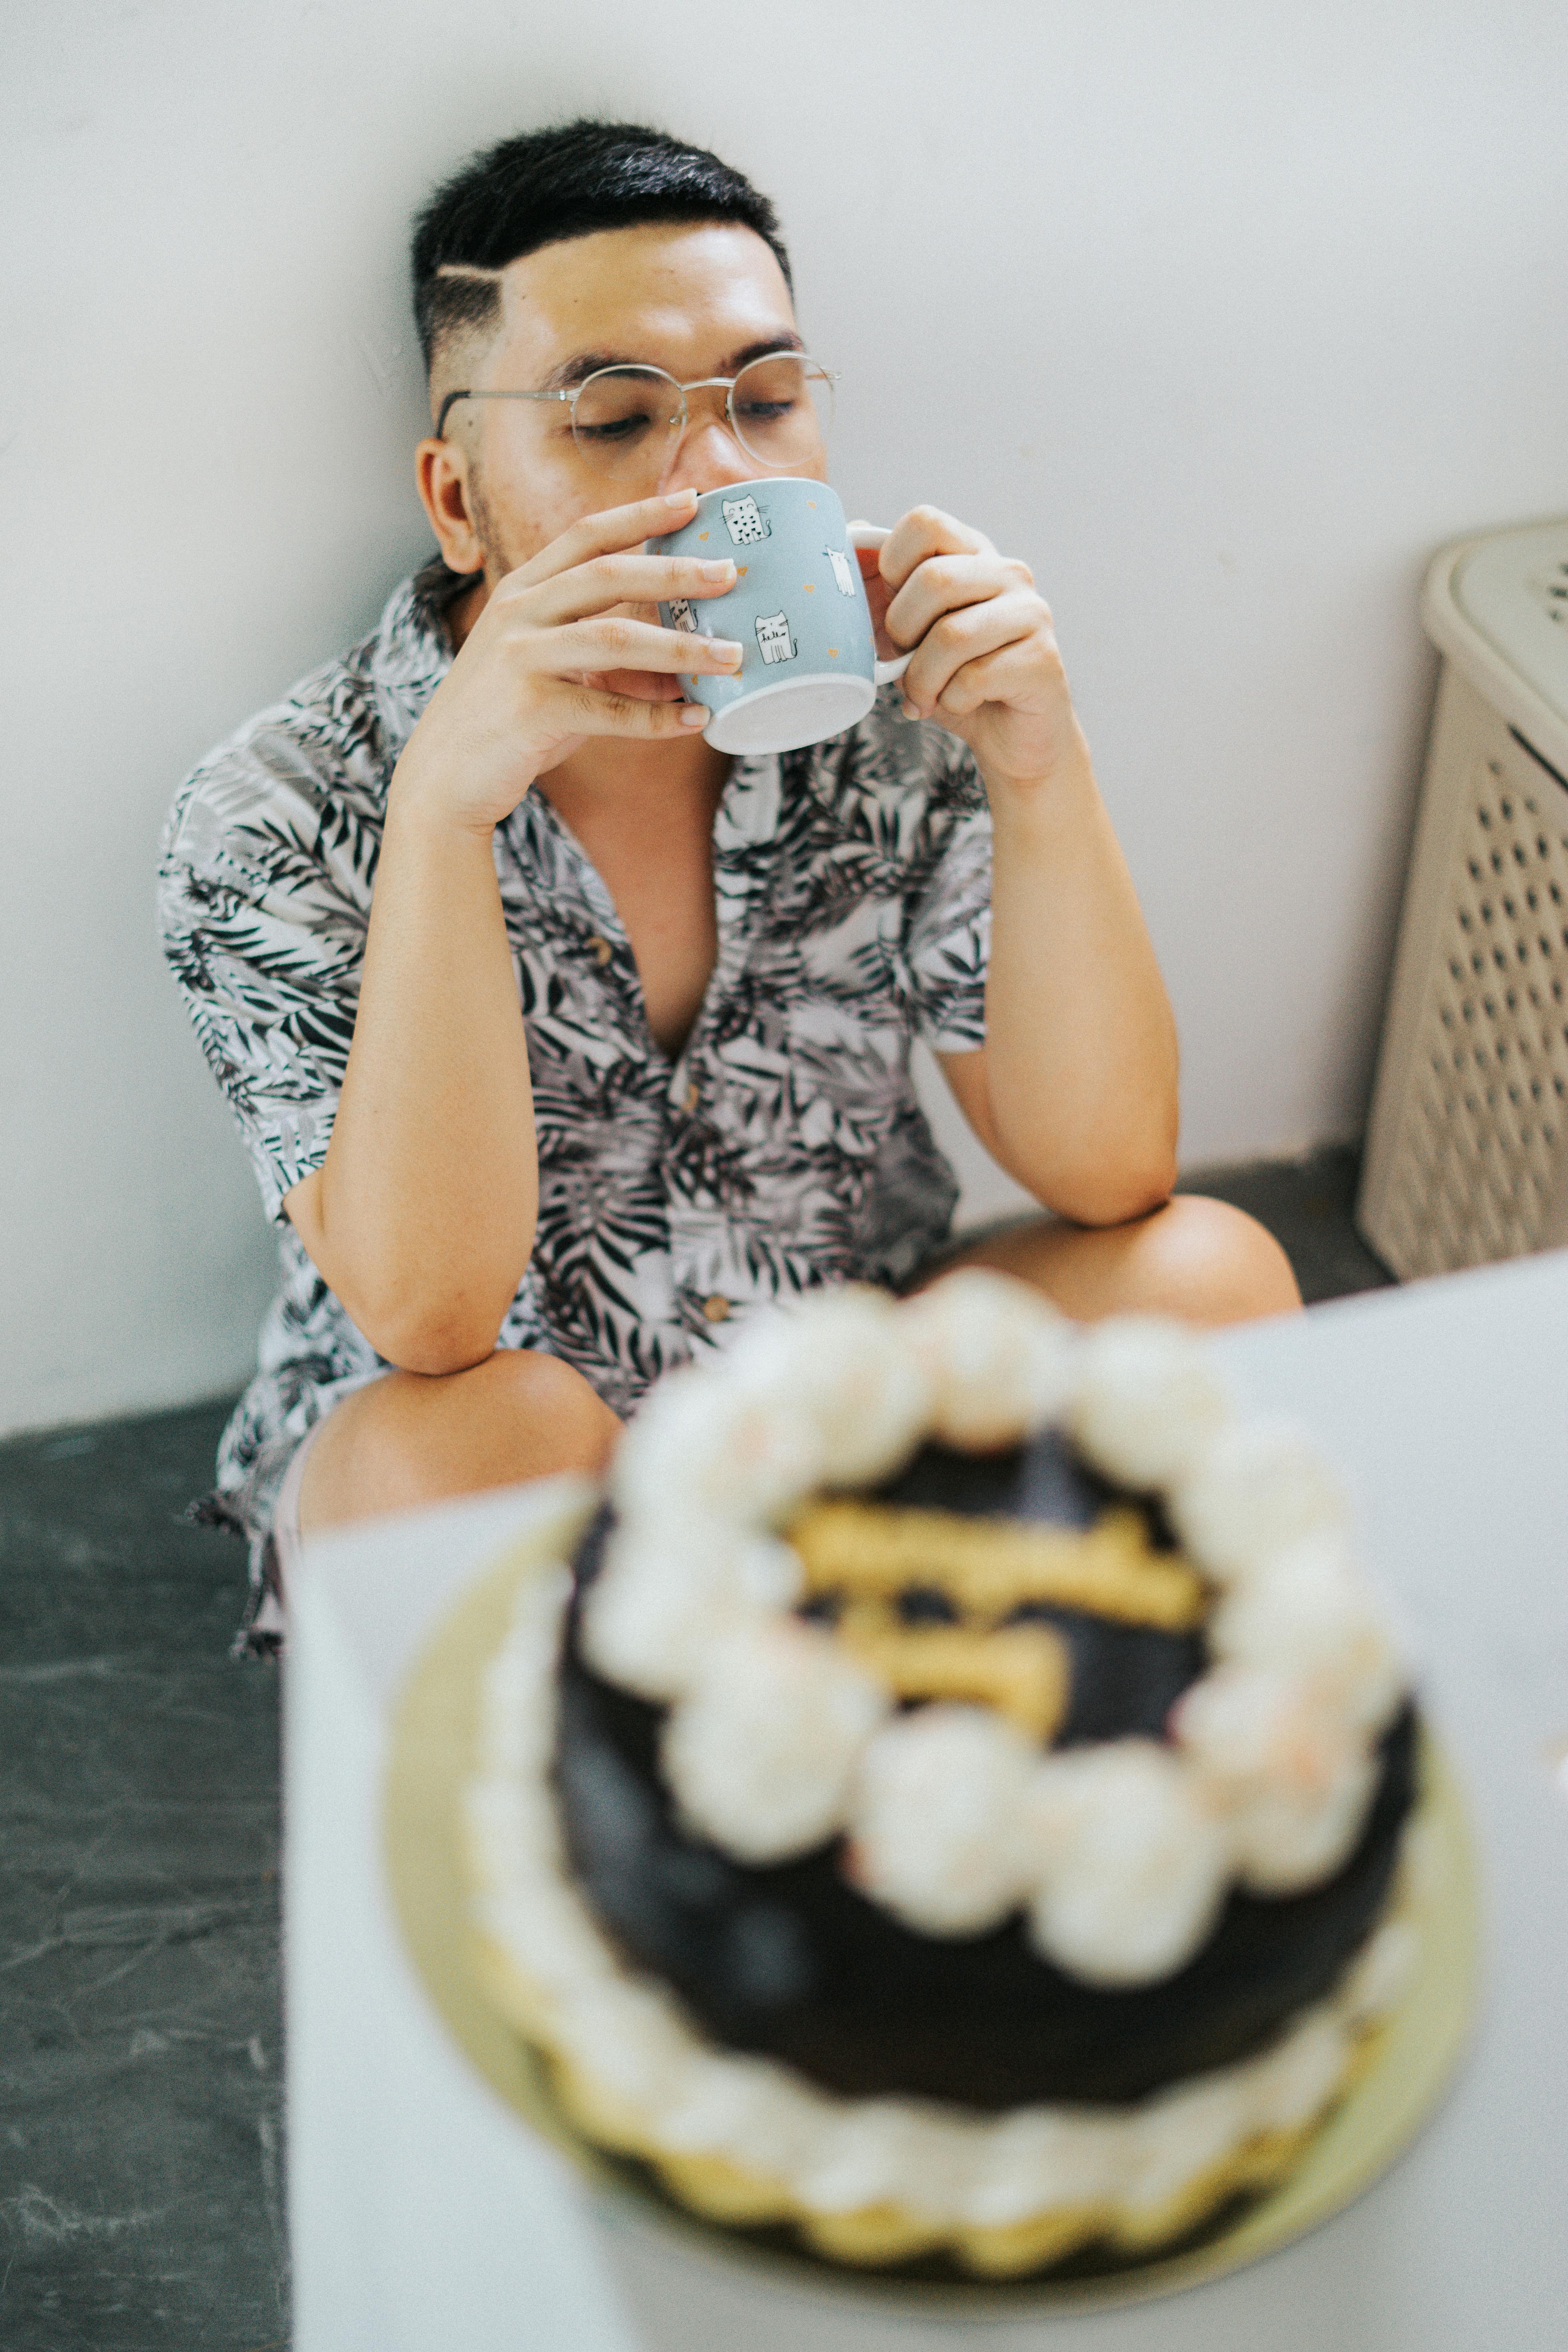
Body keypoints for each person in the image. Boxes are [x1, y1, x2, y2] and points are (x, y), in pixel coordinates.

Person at [158, 120, 1298, 1650]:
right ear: (456, 500)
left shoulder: (898, 715)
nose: (716, 472)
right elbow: (427, 1319)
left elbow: (1108, 1173)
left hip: (824, 1381)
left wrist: (1038, 763)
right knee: (466, 1451)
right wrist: (442, 811)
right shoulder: (275, 809)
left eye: (766, 401)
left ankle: (859, 1673)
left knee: (1207, 1279)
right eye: (618, 419)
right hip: (493, 1456)